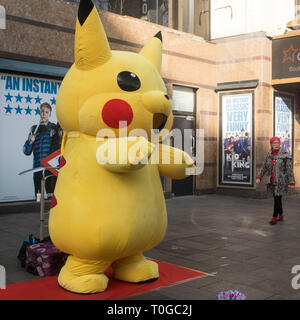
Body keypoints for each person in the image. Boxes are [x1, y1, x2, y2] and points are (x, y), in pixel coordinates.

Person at [23, 102, 61, 201]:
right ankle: (38, 215)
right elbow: (26, 152)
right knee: (38, 198)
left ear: (50, 114)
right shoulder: (34, 129)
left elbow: (59, 146)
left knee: (51, 197)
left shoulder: (54, 128)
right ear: (39, 113)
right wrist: (30, 142)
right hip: (37, 168)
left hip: (49, 167)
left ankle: (50, 216)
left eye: (46, 112)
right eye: (42, 111)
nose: (44, 114)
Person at [256, 136, 295, 225]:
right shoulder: (269, 155)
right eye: (274, 143)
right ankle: (280, 215)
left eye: (278, 143)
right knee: (277, 199)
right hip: (273, 181)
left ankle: (274, 217)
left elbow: (289, 169)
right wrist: (259, 177)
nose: (276, 144)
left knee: (277, 199)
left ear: (280, 144)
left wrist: (291, 181)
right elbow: (264, 167)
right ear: (271, 144)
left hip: (281, 181)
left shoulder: (285, 155)